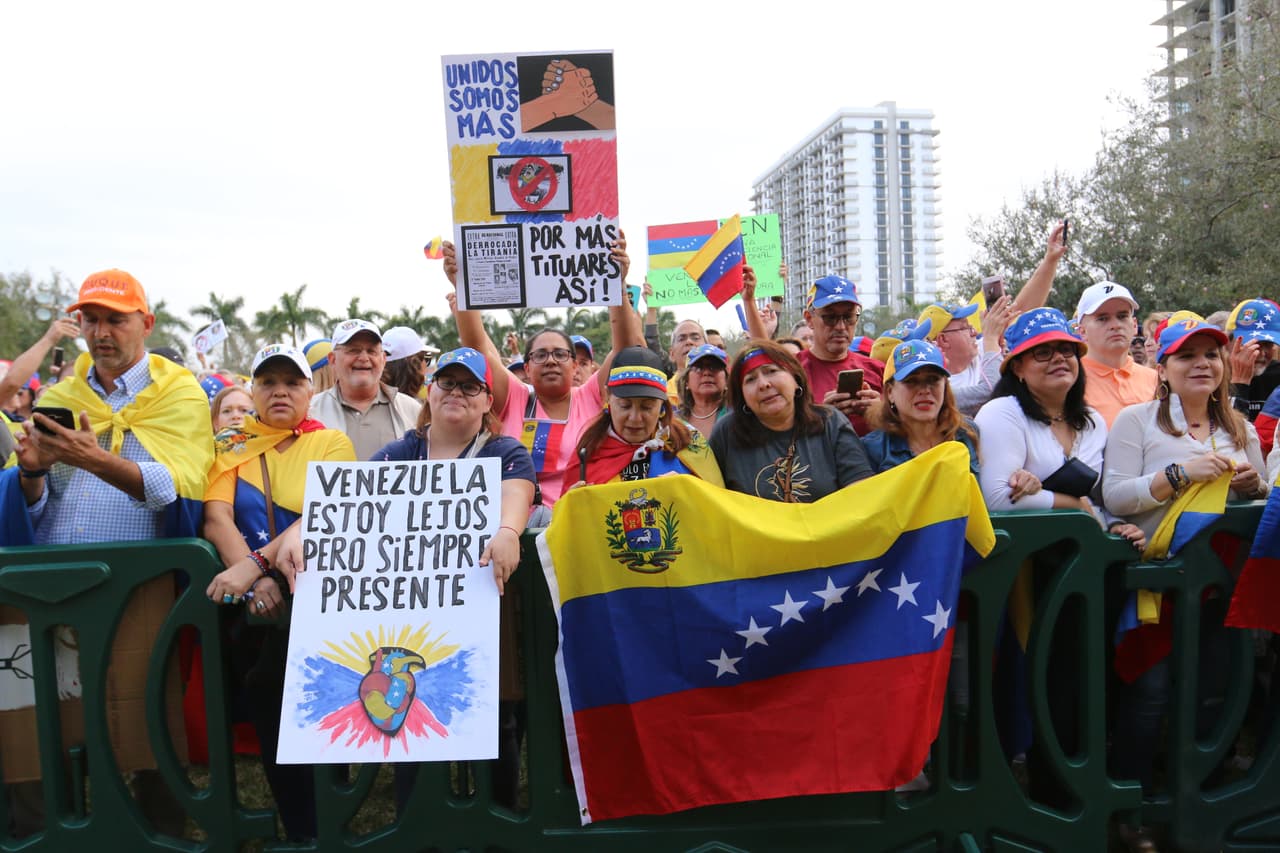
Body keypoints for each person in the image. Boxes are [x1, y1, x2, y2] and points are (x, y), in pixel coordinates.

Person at [6, 269, 213, 837]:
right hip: (51, 588)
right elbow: (35, 501)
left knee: (147, 723)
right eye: (92, 320)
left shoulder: (178, 394)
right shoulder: (61, 396)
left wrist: (92, 458)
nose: (101, 332)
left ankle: (160, 835)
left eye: (115, 320)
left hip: (136, 588)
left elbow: (179, 485)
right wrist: (31, 473)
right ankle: (45, 834)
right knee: (40, 718)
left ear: (144, 323)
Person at [1101, 313, 1266, 851]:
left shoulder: (1238, 427)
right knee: (1147, 696)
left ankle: (1198, 804)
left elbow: (1260, 499)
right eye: (1187, 356)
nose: (1202, 364)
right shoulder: (1136, 421)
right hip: (1155, 588)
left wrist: (1249, 483)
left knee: (1213, 694)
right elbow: (1115, 497)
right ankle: (1130, 810)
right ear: (1164, 367)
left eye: (1211, 355)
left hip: (1219, 588)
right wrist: (1176, 477)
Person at [367, 346, 536, 812]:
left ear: (487, 401)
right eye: (447, 382)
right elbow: (346, 503)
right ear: (429, 390)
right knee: (410, 712)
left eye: (470, 386)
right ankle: (417, 824)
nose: (456, 393)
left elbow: (517, 494)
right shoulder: (402, 451)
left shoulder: (504, 450)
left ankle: (497, 825)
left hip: (485, 608)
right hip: (412, 613)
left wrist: (507, 530)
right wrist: (273, 551)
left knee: (494, 715)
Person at [202, 343, 355, 842]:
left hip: (317, 596)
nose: (281, 392)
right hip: (254, 602)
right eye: (268, 383)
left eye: (292, 382)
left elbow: (327, 516)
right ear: (253, 390)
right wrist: (253, 580)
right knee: (268, 700)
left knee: (330, 702)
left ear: (312, 390)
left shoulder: (332, 443)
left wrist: (256, 565)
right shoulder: (230, 444)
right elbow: (217, 517)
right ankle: (302, 826)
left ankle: (336, 814)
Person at [446, 238, 636, 509]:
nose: (550, 361)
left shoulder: (591, 396)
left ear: (575, 365)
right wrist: (462, 285)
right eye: (540, 355)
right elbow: (478, 348)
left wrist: (617, 284)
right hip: (515, 531)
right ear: (526, 367)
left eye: (560, 354)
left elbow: (625, 350)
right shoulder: (514, 397)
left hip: (582, 521)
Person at [709, 339, 873, 502]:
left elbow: (861, 492)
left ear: (795, 379)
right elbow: (710, 499)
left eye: (771, 371)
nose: (763, 384)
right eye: (750, 379)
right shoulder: (726, 432)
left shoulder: (831, 422)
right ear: (742, 396)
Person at [743, 270, 882, 435]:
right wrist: (820, 416)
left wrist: (880, 411)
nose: (841, 326)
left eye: (849, 317)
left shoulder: (878, 369)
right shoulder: (789, 370)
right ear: (809, 319)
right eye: (830, 318)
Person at [566, 346, 722, 490]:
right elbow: (565, 517)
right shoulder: (588, 451)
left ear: (662, 403)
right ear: (608, 397)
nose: (635, 418)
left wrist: (688, 489)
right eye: (625, 406)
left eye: (647, 407)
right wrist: (573, 503)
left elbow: (718, 505)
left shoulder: (689, 442)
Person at [309, 319, 421, 460]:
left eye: (371, 351)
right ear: (332, 360)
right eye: (353, 350)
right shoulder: (310, 412)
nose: (363, 358)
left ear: (383, 359)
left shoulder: (412, 411)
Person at [863, 339, 979, 475]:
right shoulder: (872, 449)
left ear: (945, 386)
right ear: (890, 392)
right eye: (911, 381)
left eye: (933, 379)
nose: (925, 390)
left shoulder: (968, 433)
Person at [1073, 281, 1158, 428]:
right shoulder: (1071, 381)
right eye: (1103, 318)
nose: (1115, 325)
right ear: (1082, 331)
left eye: (1122, 316)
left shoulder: (1156, 379)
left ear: (1134, 325)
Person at [1225, 298, 1280, 422]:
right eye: (1253, 343)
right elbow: (1227, 435)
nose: (1262, 353)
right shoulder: (1210, 377)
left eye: (1268, 344)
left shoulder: (1277, 375)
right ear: (1228, 342)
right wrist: (1239, 383)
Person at [675, 343, 730, 437]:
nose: (707, 372)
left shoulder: (738, 415)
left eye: (714, 367)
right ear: (686, 381)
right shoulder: (674, 422)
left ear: (726, 380)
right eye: (698, 368)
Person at [381, 326, 436, 401]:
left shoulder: (367, 404)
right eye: (425, 357)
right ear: (415, 365)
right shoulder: (416, 409)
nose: (426, 364)